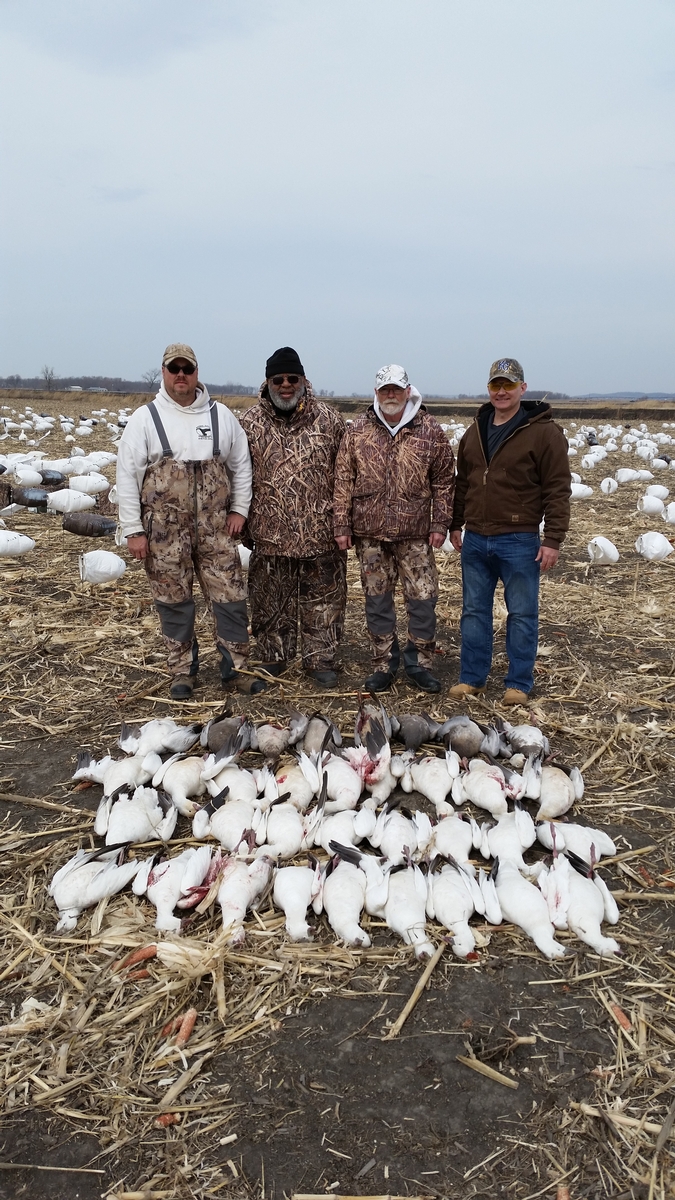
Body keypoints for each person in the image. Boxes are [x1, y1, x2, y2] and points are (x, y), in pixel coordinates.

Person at [116, 342, 260, 700]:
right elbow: (126, 477)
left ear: (197, 372)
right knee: (174, 602)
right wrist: (133, 530)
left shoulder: (221, 417)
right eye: (173, 368)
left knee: (231, 598)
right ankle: (182, 671)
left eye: (188, 368)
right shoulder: (145, 419)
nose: (181, 375)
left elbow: (241, 466)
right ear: (164, 372)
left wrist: (239, 509)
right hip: (164, 534)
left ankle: (236, 669)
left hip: (216, 531)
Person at [448, 357, 571, 706]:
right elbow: (464, 484)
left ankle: (518, 682)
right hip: (476, 538)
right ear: (488, 389)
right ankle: (472, 678)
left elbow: (558, 489)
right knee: (473, 611)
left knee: (521, 613)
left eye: (509, 384)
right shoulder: (475, 431)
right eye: (495, 385)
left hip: (519, 539)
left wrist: (553, 539)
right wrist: (456, 523)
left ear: (523, 388)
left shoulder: (544, 433)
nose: (501, 391)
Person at [333, 364, 455, 694]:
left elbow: (444, 481)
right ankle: (383, 663)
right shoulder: (358, 429)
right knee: (377, 601)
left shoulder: (429, 429)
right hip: (370, 534)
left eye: (396, 389)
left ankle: (420, 663)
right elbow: (343, 479)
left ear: (407, 391)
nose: (390, 395)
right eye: (384, 389)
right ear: (376, 392)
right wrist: (341, 524)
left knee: (423, 599)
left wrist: (440, 522)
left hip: (415, 534)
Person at [239, 347, 347, 688]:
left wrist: (342, 521)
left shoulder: (329, 421)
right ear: (268, 381)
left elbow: (345, 476)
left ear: (303, 379)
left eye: (292, 378)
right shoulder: (248, 423)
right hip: (269, 534)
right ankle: (274, 656)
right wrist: (242, 519)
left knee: (325, 600)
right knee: (270, 600)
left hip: (321, 534)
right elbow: (237, 476)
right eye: (278, 379)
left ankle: (320, 659)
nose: (286, 385)